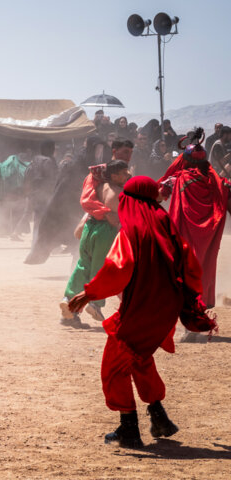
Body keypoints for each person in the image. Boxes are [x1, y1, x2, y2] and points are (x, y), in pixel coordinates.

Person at [68, 175, 217, 448]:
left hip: (142, 308)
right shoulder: (164, 223)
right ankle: (159, 417)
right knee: (139, 357)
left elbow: (118, 268)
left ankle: (129, 428)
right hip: (164, 308)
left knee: (115, 365)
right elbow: (190, 264)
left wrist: (90, 293)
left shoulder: (132, 230)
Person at [158, 129, 230, 329]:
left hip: (184, 239)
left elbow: (157, 194)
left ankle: (190, 324)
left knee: (182, 274)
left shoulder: (177, 179)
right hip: (206, 241)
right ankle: (195, 319)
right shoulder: (217, 183)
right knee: (201, 273)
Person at [60, 160, 131, 327]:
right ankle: (95, 304)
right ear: (114, 175)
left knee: (83, 266)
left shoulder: (97, 187)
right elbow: (117, 218)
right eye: (123, 173)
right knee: (100, 269)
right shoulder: (115, 190)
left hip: (89, 227)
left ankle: (68, 301)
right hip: (105, 232)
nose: (127, 175)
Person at [25, 135, 109, 265]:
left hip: (86, 204)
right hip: (70, 203)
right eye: (97, 149)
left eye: (101, 149)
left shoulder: (98, 162)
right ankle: (76, 268)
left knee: (83, 236)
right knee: (77, 233)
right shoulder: (79, 162)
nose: (99, 152)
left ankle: (78, 266)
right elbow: (67, 183)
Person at [24, 140, 58, 245]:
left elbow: (28, 175)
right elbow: (52, 180)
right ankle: (48, 244)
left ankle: (35, 243)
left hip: (35, 195)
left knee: (37, 220)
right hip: (46, 195)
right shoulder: (48, 161)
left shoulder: (35, 159)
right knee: (49, 220)